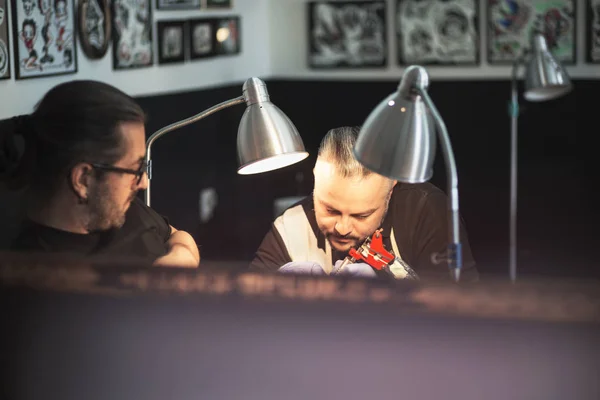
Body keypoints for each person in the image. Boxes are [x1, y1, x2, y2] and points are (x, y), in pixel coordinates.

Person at [0, 80, 199, 268]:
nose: (143, 182)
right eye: (134, 169)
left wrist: (180, 255)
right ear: (83, 180)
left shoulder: (115, 206)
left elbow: (177, 235)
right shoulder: (47, 278)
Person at [250, 126, 478, 282]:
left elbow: (464, 307)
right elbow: (246, 314)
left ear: (391, 190)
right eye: (330, 209)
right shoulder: (290, 227)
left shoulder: (425, 211)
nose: (342, 227)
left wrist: (396, 295)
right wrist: (277, 293)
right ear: (314, 181)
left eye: (361, 215)